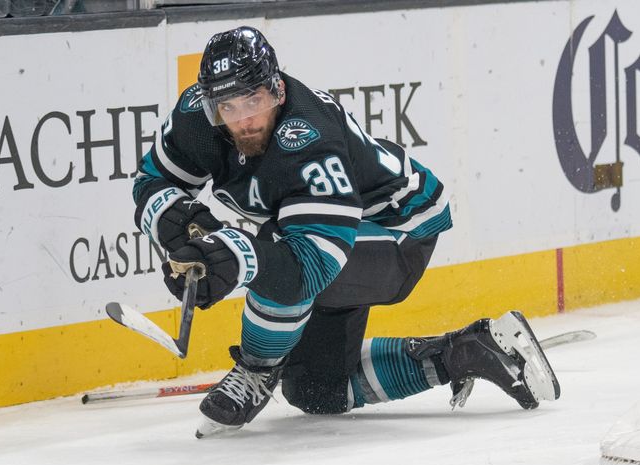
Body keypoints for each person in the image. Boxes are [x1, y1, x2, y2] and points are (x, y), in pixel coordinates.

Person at [132, 26, 560, 438]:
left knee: (276, 254)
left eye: (253, 100)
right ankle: (465, 352)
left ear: (277, 89)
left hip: (399, 228)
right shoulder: (196, 119)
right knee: (316, 391)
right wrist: (190, 234)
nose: (243, 120)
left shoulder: (308, 139)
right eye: (228, 108)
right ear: (210, 106)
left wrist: (233, 257)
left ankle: (256, 371)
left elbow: (308, 267)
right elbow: (151, 183)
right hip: (332, 233)